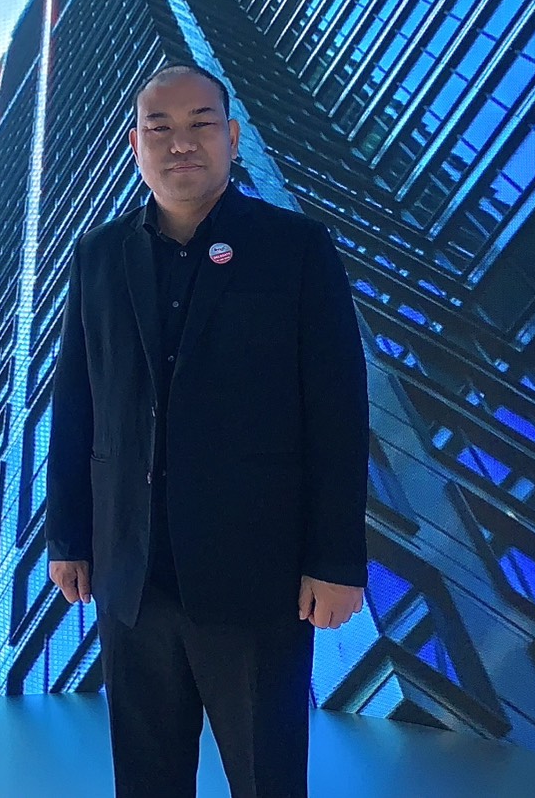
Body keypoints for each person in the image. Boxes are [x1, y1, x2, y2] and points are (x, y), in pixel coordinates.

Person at [45, 62, 371, 798]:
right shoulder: (98, 257)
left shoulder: (295, 248)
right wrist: (68, 537)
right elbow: (77, 403)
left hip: (254, 574)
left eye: (200, 124)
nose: (180, 142)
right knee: (146, 781)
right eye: (159, 128)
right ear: (136, 145)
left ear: (232, 137)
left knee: (266, 779)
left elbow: (336, 410)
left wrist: (335, 559)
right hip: (131, 572)